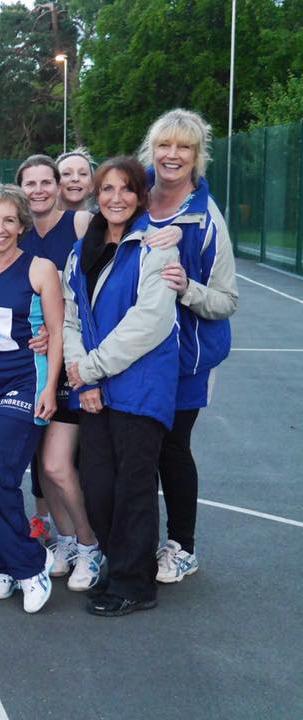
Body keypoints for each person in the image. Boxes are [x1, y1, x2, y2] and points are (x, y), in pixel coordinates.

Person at [62, 156, 181, 617]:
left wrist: (90, 369)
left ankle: (135, 584)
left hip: (140, 386)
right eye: (107, 189)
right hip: (94, 386)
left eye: (126, 189)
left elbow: (149, 322)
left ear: (140, 196)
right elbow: (71, 316)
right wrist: (81, 373)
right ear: (96, 194)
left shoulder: (155, 247)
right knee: (98, 486)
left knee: (132, 488)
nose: (116, 198)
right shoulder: (83, 250)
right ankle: (124, 563)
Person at [137, 108, 238, 584]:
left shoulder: (207, 218)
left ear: (198, 157)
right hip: (134, 353)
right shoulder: (134, 202)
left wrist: (188, 288)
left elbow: (225, 300)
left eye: (184, 147)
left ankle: (182, 546)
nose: (172, 155)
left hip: (185, 358)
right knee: (133, 449)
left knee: (170, 448)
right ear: (152, 151)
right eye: (165, 145)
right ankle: (131, 542)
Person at [0, 184, 63, 615]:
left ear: (22, 225)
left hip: (24, 380)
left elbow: (56, 333)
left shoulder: (41, 270)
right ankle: (3, 564)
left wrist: (49, 387)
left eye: (8, 220)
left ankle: (30, 564)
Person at [17, 155, 99, 587]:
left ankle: (89, 544)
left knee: (57, 464)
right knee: (45, 465)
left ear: (58, 185)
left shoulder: (82, 224)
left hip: (75, 358)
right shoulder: (17, 233)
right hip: (36, 364)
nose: (39, 189)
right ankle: (67, 539)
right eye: (29, 183)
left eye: (46, 181)